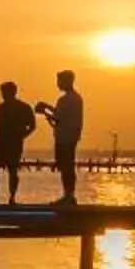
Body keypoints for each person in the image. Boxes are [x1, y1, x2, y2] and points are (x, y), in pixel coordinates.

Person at [35, 69, 86, 206]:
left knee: (66, 167)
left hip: (65, 138)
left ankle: (68, 197)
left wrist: (45, 107)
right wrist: (47, 112)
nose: (58, 84)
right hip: (69, 136)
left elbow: (58, 116)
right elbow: (59, 118)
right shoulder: (76, 98)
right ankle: (68, 196)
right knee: (67, 166)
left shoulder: (67, 99)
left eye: (59, 81)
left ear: (67, 81)